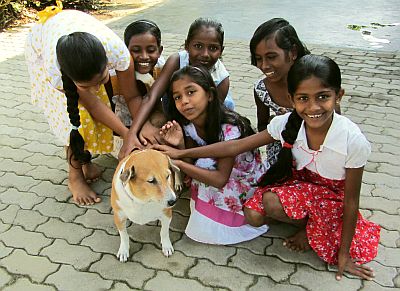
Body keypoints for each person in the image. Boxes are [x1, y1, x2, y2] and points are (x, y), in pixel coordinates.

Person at [153, 55, 380, 280]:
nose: (313, 107)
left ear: (338, 96)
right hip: (303, 185)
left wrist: (343, 255)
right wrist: (182, 152)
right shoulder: (286, 123)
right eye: (303, 98)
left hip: (334, 196)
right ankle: (313, 226)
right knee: (255, 212)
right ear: (291, 99)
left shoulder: (353, 140)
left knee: (268, 204)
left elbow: (351, 201)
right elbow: (234, 147)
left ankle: (312, 231)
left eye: (323, 97)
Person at [25, 7, 142, 205]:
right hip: (41, 45)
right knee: (73, 120)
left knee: (96, 110)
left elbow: (131, 95)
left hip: (74, 36)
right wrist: (125, 133)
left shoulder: (117, 51)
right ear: (71, 79)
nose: (96, 89)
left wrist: (135, 132)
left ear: (107, 62)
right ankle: (75, 175)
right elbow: (93, 105)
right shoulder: (55, 73)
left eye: (102, 79)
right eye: (87, 86)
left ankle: (86, 160)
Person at [160, 65, 267, 244]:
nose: (184, 101)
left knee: (208, 184)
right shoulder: (189, 126)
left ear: (209, 95)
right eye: (177, 97)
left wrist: (175, 159)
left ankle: (233, 219)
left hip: (243, 180)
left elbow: (219, 179)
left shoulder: (229, 128)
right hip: (219, 176)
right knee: (199, 177)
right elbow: (190, 169)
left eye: (191, 92)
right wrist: (178, 145)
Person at [123, 17, 235, 155]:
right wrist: (131, 134)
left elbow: (210, 121)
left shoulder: (221, 80)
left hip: (204, 124)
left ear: (221, 50)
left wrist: (183, 147)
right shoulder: (177, 60)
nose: (205, 54)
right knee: (156, 129)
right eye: (198, 46)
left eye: (213, 48)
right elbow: (152, 96)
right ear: (187, 45)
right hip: (177, 115)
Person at [250, 18, 310, 167]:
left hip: (314, 157)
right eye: (258, 59)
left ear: (293, 53)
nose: (264, 65)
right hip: (279, 159)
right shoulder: (261, 89)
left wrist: (294, 119)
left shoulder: (314, 83)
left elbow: (334, 123)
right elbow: (263, 127)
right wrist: (275, 123)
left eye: (271, 57)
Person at [111, 19, 166, 151]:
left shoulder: (162, 68)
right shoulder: (113, 74)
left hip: (149, 115)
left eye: (151, 50)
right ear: (125, 51)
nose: (144, 56)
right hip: (121, 124)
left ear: (160, 50)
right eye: (136, 50)